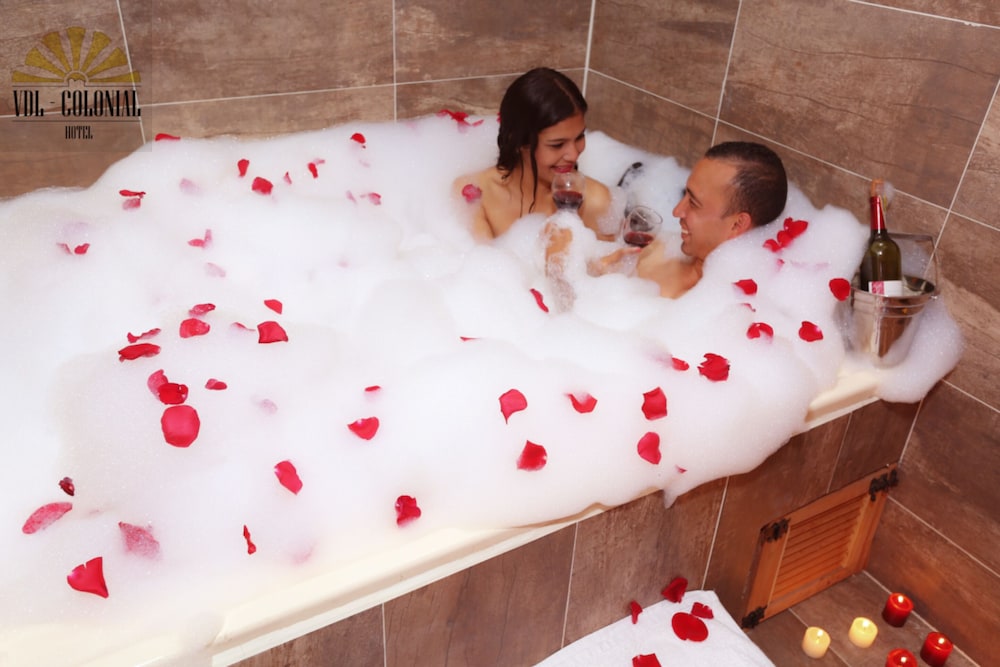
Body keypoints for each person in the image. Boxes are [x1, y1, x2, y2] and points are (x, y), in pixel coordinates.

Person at [454, 68, 615, 246]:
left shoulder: (597, 202)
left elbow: (610, 262)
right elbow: (478, 261)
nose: (574, 154)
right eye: (557, 144)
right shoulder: (476, 194)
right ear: (518, 142)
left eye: (579, 137)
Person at [635, 141, 787, 298]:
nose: (677, 211)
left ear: (737, 224)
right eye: (685, 194)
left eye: (693, 203)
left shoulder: (725, 306)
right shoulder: (654, 253)